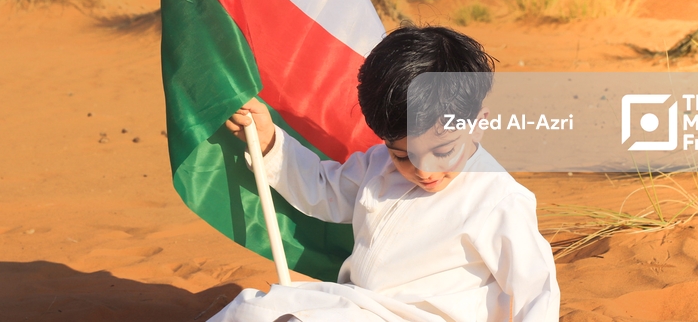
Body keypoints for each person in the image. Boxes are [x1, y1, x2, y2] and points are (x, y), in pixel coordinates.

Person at [209, 25, 560, 322]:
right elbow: (322, 191)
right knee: (250, 311)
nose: (424, 170)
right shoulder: (377, 165)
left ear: (478, 125)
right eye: (403, 155)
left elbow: (535, 288)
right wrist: (268, 140)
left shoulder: (498, 198)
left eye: (443, 151)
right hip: (355, 305)